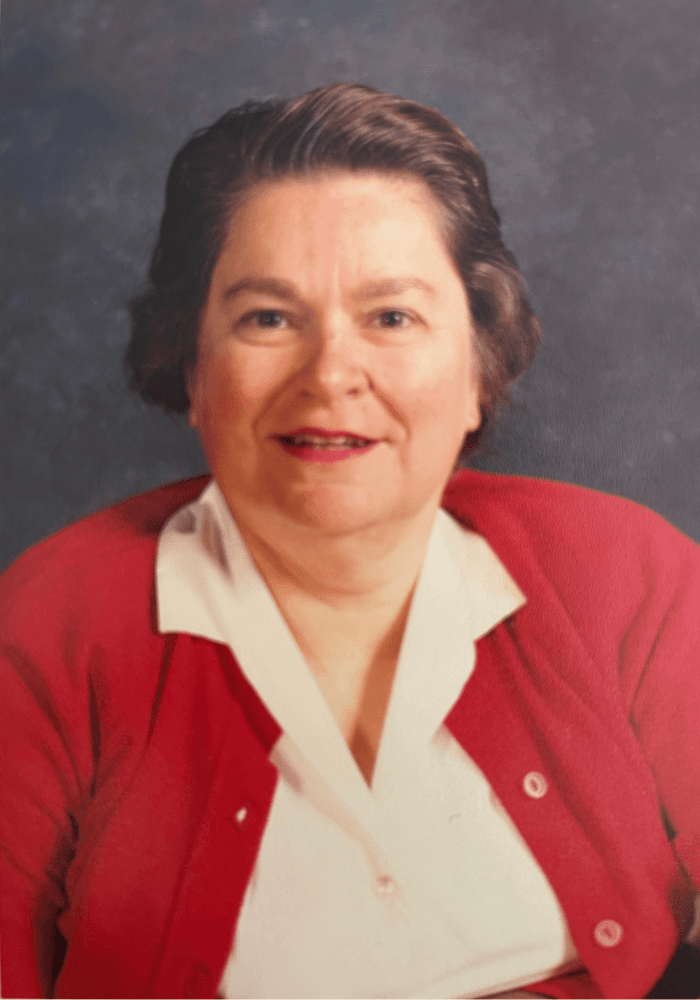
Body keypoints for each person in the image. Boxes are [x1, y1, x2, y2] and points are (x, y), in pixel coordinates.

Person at [1, 82, 699, 1000]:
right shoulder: (51, 625)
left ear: (480, 366)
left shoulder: (621, 568)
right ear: (189, 362)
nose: (331, 375)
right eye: (268, 318)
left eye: (391, 317)